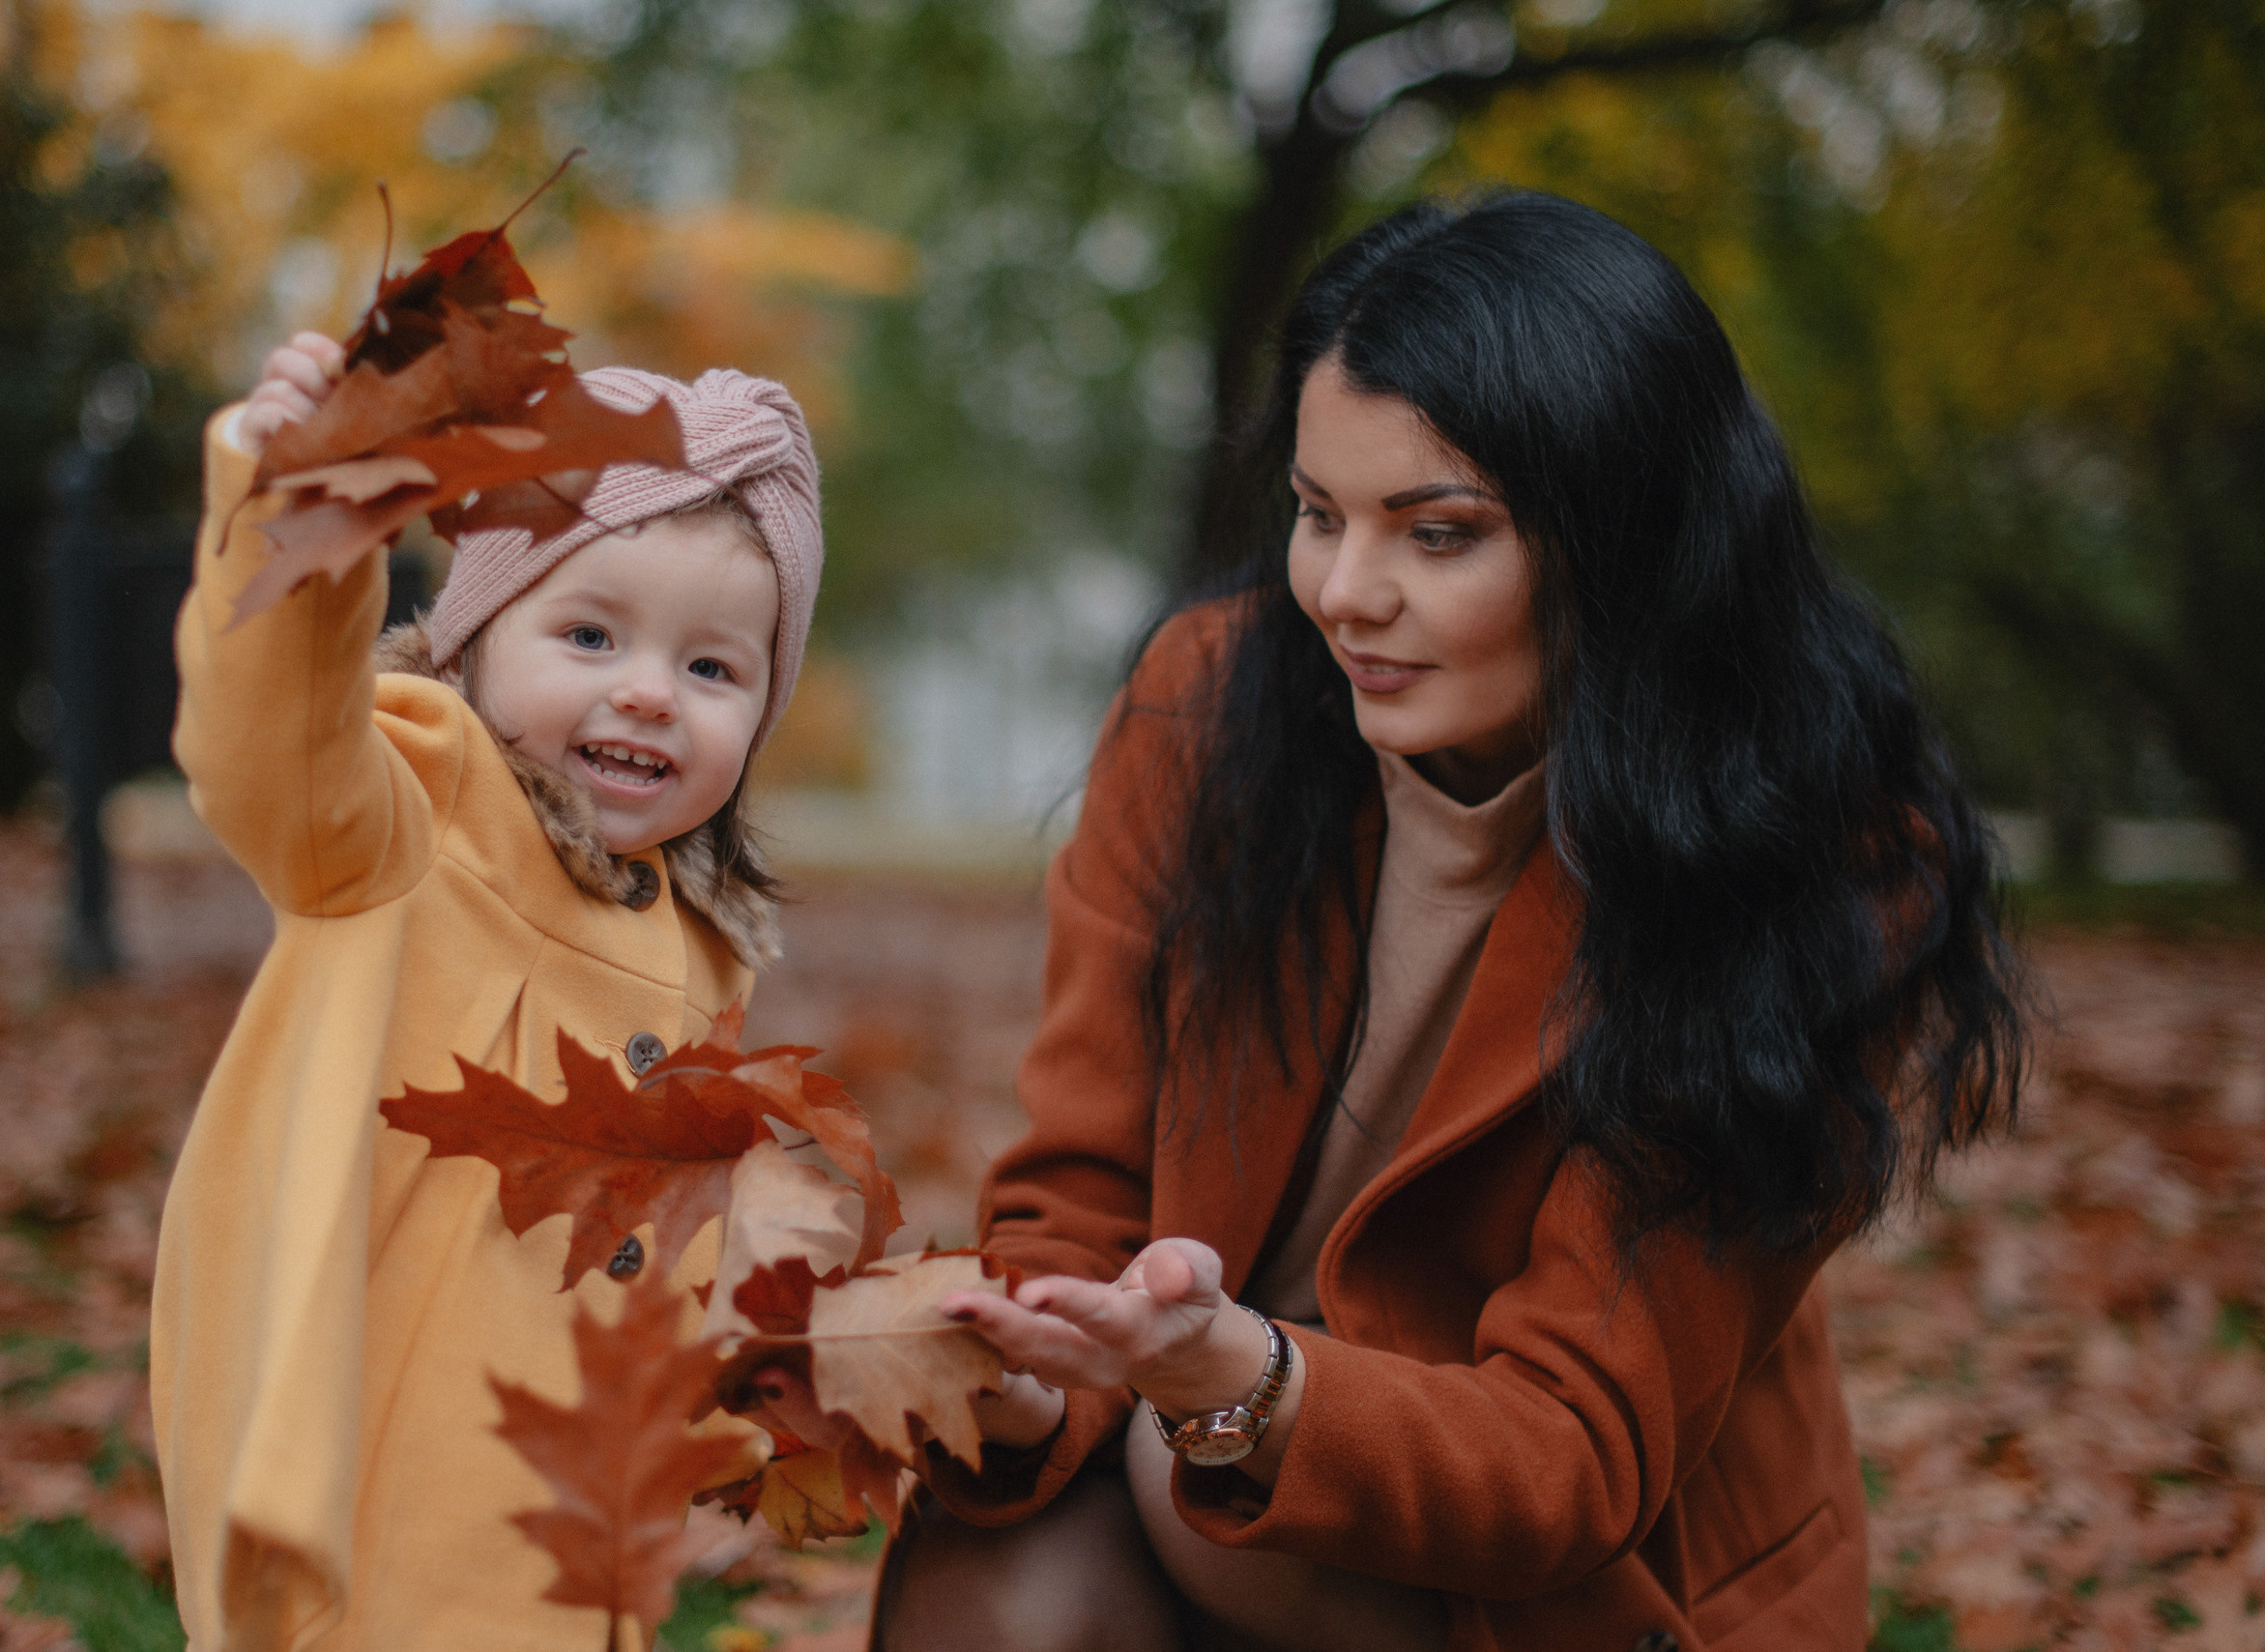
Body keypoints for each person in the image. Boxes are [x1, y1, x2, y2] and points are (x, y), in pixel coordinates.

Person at [866, 192, 2027, 1651]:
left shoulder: (1819, 867)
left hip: (1551, 1580)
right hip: (1194, 1467)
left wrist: (1245, 1377)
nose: (1346, 595)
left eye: (1439, 532)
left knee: (1180, 1474)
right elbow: (1080, 1195)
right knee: (1016, 1594)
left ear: (1628, 539)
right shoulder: (1211, 706)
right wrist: (1049, 1374)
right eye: (1315, 513)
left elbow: (1568, 1455)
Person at [151, 334, 824, 1651]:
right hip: (383, 1441)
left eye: (712, 669)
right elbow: (266, 746)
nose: (646, 690)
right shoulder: (406, 823)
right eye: (587, 632)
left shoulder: (701, 944)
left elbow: (670, 1218)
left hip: (572, 1497)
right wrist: (306, 521)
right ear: (473, 636)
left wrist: (756, 1363)